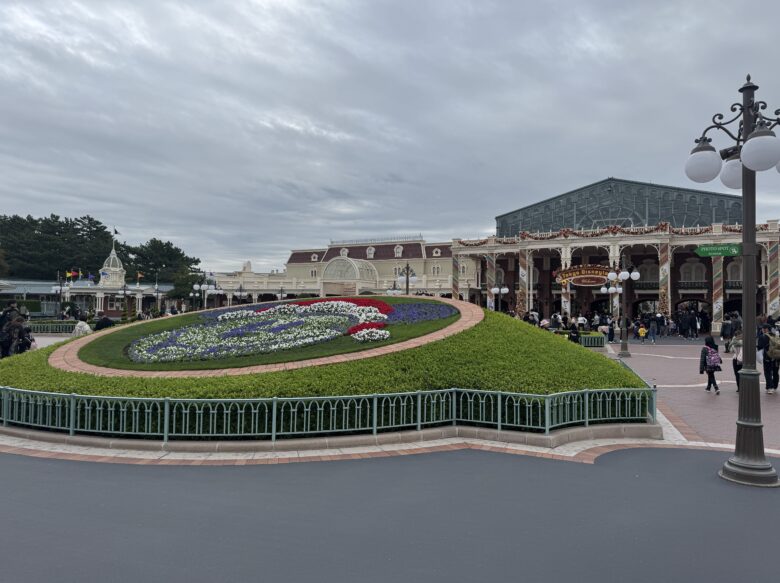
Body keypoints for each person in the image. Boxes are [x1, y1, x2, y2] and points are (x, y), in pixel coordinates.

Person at [758, 324, 780, 394]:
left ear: (765, 329)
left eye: (763, 328)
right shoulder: (775, 335)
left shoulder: (763, 336)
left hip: (767, 357)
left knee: (767, 372)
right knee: (775, 372)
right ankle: (775, 386)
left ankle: (770, 387)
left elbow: (760, 347)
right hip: (776, 357)